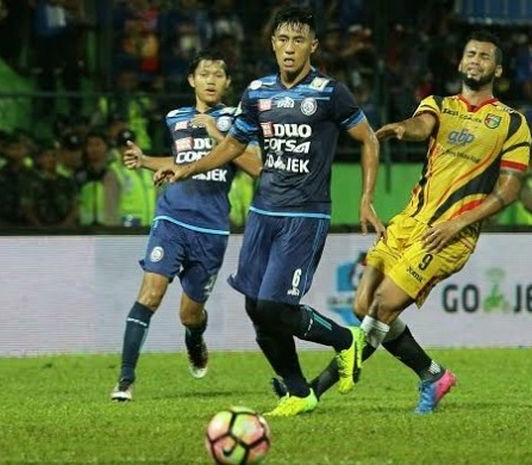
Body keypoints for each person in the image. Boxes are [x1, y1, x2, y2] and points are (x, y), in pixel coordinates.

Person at [154, 6, 384, 416]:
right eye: (283, 40)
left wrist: (365, 198)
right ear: (272, 44)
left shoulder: (331, 92)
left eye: (298, 40)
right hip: (263, 211)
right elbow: (232, 146)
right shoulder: (257, 92)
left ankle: (347, 341)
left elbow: (368, 140)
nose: (290, 49)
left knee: (278, 307)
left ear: (312, 45)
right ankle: (298, 391)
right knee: (255, 308)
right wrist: (185, 167)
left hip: (305, 214)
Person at [306, 30, 531, 414]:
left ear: (497, 68)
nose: (476, 60)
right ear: (460, 63)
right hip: (409, 220)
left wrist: (458, 224)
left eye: (484, 56)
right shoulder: (439, 105)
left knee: (381, 307)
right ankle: (433, 375)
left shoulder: (512, 123)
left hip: (448, 236)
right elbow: (422, 125)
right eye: (470, 54)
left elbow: (508, 191)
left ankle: (314, 389)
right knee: (362, 305)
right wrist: (400, 129)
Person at [110, 50, 263, 401]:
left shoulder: (239, 121)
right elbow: (181, 161)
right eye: (204, 74)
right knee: (150, 294)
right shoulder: (175, 117)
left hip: (211, 229)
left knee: (189, 314)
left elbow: (257, 168)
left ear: (227, 83)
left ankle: (195, 339)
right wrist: (145, 160)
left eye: (218, 75)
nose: (211, 80)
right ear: (191, 80)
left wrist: (217, 135)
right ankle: (125, 379)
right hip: (172, 217)